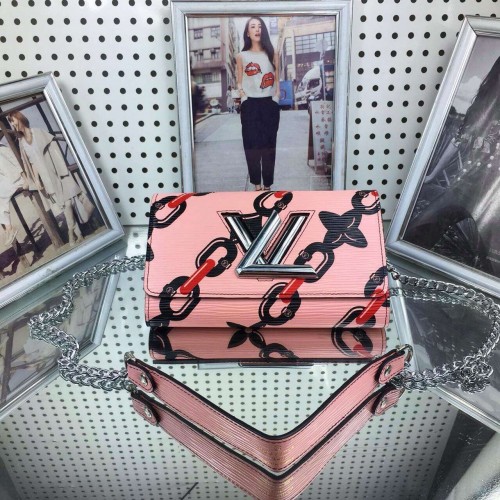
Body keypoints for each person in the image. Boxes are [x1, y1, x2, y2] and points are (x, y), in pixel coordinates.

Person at [405, 55, 500, 275]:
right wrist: (432, 175)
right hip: (464, 188)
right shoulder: (482, 107)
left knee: (492, 264)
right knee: (416, 234)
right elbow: (457, 141)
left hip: (493, 199)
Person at [7, 110, 83, 246]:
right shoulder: (22, 142)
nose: (12, 124)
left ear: (19, 118)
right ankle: (79, 235)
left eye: (12, 121)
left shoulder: (38, 132)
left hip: (55, 172)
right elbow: (32, 163)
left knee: (67, 203)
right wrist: (36, 180)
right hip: (45, 179)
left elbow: (54, 151)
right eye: (10, 122)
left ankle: (71, 234)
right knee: (63, 205)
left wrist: (61, 169)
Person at [236, 17, 280, 191]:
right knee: (251, 146)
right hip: (250, 106)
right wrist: (243, 97)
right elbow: (239, 81)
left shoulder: (272, 53)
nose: (257, 29)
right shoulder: (241, 56)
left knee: (269, 146)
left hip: (269, 104)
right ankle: (256, 184)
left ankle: (267, 185)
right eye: (253, 26)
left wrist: (276, 98)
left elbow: (277, 79)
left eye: (260, 26)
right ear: (247, 32)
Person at [0, 144, 28, 246]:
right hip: (7, 181)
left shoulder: (3, 149)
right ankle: (9, 229)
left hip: (15, 180)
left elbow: (16, 163)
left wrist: (25, 178)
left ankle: (9, 229)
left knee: (1, 199)